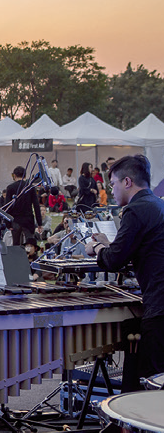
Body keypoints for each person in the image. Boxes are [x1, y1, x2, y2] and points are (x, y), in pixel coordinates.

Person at [84, 155, 164, 391]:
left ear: (127, 182)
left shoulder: (136, 209)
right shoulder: (157, 204)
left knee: (149, 385)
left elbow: (113, 261)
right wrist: (110, 244)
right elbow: (139, 249)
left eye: (113, 184)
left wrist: (96, 248)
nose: (112, 190)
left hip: (159, 308)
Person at [4, 166, 42, 246]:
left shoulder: (10, 188)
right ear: (25, 175)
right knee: (30, 243)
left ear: (14, 175)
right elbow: (36, 206)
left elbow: (7, 206)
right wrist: (39, 223)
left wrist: (7, 223)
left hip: (16, 220)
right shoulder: (30, 187)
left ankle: (17, 257)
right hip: (28, 220)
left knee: (16, 244)